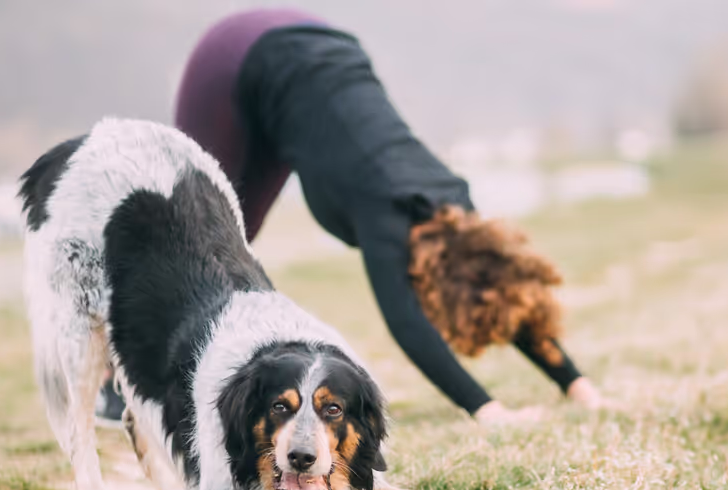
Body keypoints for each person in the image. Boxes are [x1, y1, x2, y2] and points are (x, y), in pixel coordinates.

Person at [97, 8, 603, 427]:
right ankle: (112, 381)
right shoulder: (383, 212)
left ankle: (154, 366)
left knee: (232, 240)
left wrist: (575, 384)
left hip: (313, 47)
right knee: (186, 233)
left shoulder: (454, 201)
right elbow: (408, 326)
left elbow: (507, 293)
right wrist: (487, 410)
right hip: (234, 59)